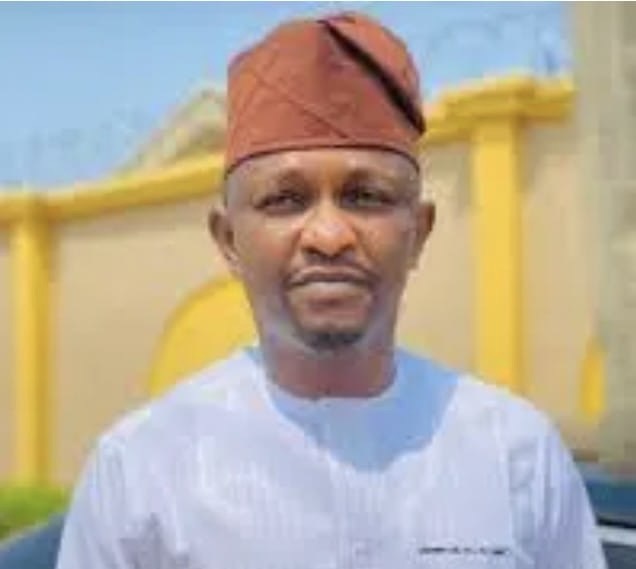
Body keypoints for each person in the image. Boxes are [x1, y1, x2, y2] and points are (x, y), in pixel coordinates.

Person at [55, 12, 607, 569]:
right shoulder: (142, 477)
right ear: (228, 240)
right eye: (285, 200)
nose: (328, 235)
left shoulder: (516, 458)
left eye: (365, 196)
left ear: (418, 233)